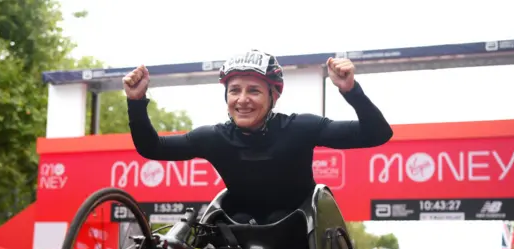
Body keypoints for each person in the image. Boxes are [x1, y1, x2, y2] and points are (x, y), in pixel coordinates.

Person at [123, 49, 393, 226]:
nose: (242, 100)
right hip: (241, 228)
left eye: (254, 91)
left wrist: (350, 90)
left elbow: (377, 134)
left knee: (278, 219)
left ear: (273, 97)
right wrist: (136, 101)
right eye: (235, 91)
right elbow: (152, 148)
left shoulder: (301, 127)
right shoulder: (214, 137)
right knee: (225, 223)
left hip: (299, 226)